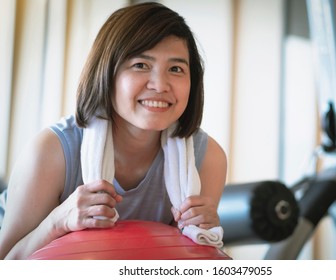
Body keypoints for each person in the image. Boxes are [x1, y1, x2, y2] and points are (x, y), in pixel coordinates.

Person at [0, 2, 227, 259]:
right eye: (141, 65)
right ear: (107, 74)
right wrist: (58, 221)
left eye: (176, 69)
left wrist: (202, 232)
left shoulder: (207, 158)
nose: (160, 85)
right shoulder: (51, 151)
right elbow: (7, 263)